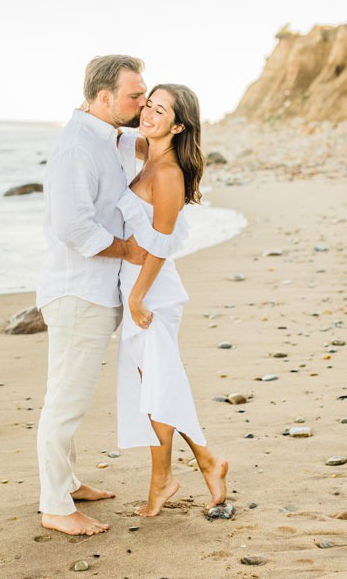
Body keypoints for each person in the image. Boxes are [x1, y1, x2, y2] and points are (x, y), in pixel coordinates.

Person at [36, 55, 148, 536]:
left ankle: (68, 481)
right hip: (78, 293)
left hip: (96, 292)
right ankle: (56, 507)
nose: (141, 102)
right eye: (134, 95)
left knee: (70, 395)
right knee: (66, 401)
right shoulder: (77, 148)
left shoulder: (109, 137)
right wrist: (131, 250)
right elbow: (73, 227)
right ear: (104, 98)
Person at [116, 83, 228, 516]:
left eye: (160, 110)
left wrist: (139, 297)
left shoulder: (167, 173)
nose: (148, 113)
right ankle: (202, 461)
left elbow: (161, 244)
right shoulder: (145, 156)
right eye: (147, 104)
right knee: (156, 384)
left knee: (157, 384)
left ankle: (169, 477)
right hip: (136, 283)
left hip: (152, 289)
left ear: (178, 125)